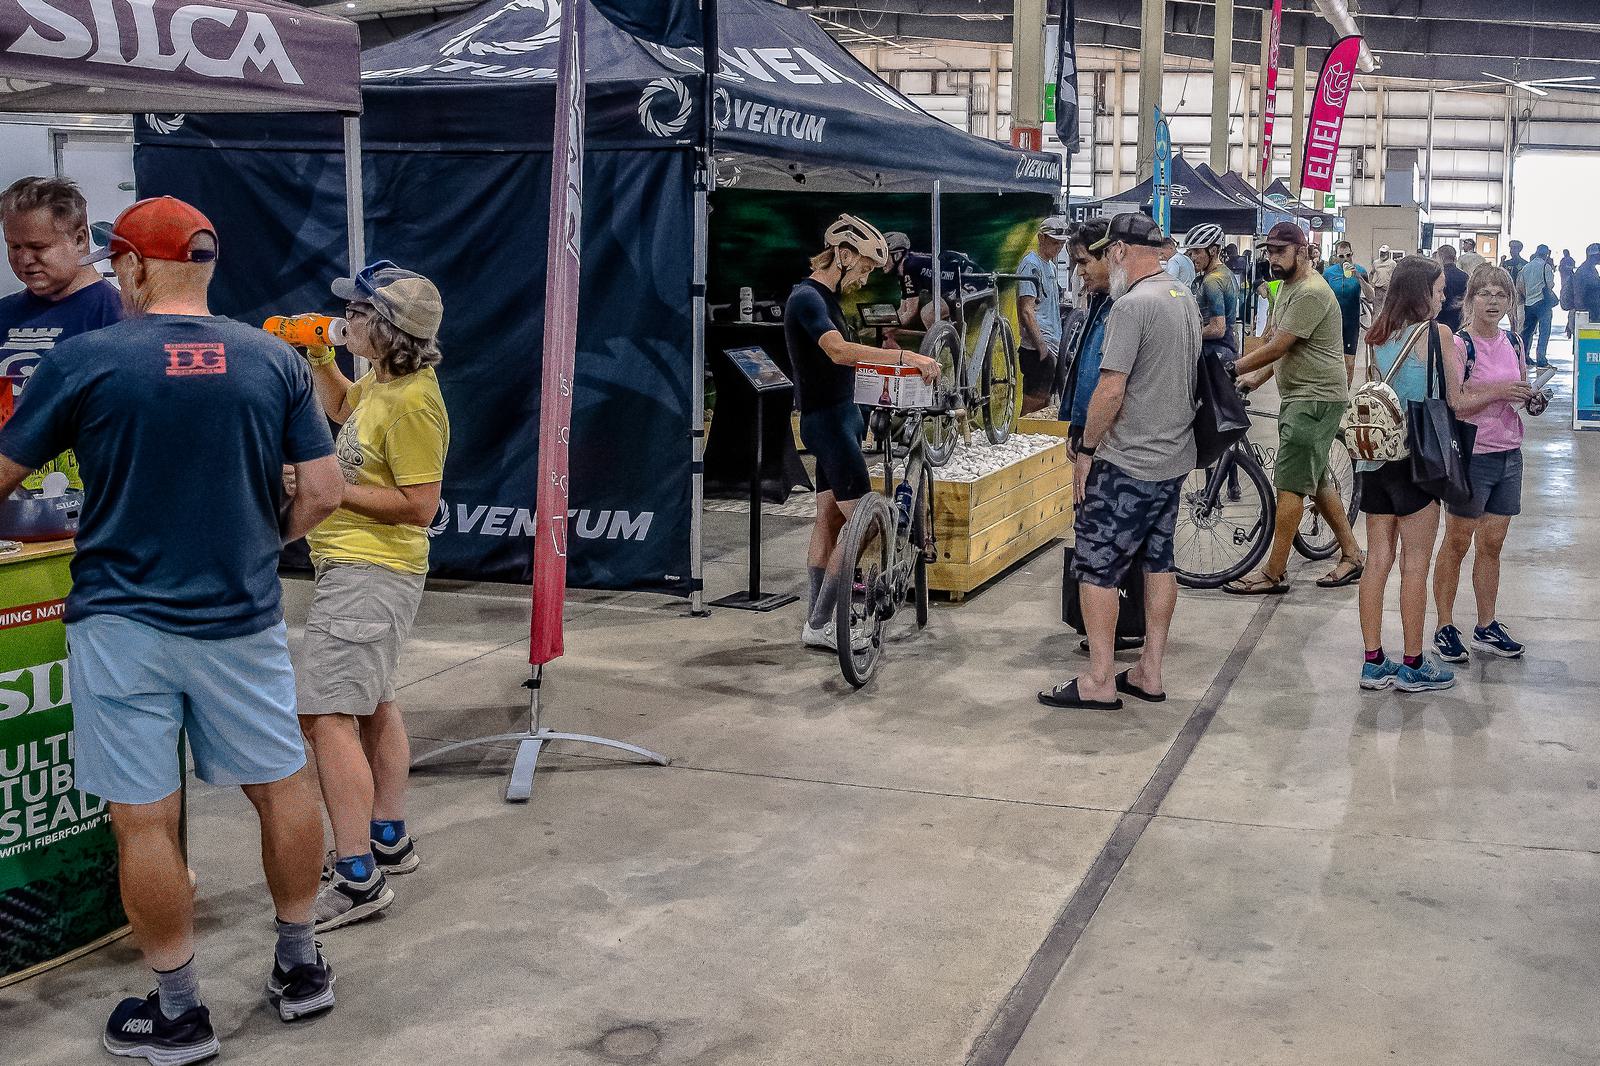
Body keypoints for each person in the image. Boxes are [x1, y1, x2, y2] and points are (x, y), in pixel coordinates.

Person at [0, 196, 345, 1061]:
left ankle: (180, 1012)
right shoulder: (274, 359)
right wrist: (260, 541)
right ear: (206, 264)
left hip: (122, 621)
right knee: (282, 786)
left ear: (130, 264)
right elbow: (325, 491)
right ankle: (301, 967)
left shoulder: (87, 359)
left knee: (143, 820)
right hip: (242, 616)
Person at [292, 262, 450, 932]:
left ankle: (357, 877)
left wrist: (327, 491)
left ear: (386, 328)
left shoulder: (415, 402)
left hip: (371, 571)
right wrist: (323, 361)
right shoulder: (383, 386)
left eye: (356, 313)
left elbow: (419, 506)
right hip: (354, 568)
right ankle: (388, 836)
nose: (346, 318)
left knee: (324, 715)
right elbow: (342, 411)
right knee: (375, 702)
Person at [1040, 212, 1198, 711]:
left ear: (1122, 252)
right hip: (1173, 459)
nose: (1106, 263)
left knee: (1097, 567)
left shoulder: (1132, 306)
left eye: (1108, 253)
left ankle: (1100, 680)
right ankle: (1149, 670)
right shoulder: (1182, 297)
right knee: (1158, 562)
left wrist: (1086, 450)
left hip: (1127, 461)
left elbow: (1111, 388)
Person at [787, 215, 940, 651]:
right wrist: (905, 357)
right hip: (830, 424)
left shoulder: (826, 299)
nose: (867, 277)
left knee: (830, 519)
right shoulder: (807, 299)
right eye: (866, 268)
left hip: (837, 420)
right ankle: (821, 624)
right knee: (867, 523)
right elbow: (836, 352)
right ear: (843, 254)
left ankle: (816, 619)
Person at [1226, 220, 1364, 594]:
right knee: (1314, 480)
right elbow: (1280, 346)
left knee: (1289, 487)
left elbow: (1280, 345)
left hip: (1314, 399)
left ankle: (1273, 572)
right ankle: (1351, 554)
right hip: (1302, 396)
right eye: (1268, 251)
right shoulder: (1286, 288)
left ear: (1303, 252)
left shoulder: (1310, 292)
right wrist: (1252, 379)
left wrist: (1233, 367)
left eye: (1279, 251)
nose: (1271, 258)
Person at [1432, 265, 1547, 665]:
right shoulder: (1461, 345)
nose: (1494, 300)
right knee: (1458, 542)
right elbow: (1457, 401)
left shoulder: (1514, 341)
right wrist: (1499, 390)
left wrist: (1531, 401)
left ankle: (1486, 624)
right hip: (1472, 455)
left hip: (1509, 453)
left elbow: (1519, 393)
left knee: (1492, 545)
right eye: (1485, 293)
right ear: (1470, 300)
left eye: (1501, 294)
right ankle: (1445, 626)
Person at [1356, 256, 1460, 693]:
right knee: (1415, 563)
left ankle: (1373, 662)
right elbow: (1455, 399)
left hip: (1374, 458)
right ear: (1422, 293)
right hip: (1418, 458)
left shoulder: (1375, 335)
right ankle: (1414, 663)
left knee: (1377, 559)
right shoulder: (1438, 335)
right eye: (1438, 290)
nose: (1443, 297)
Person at [0, 177, 124, 492]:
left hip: (82, 508)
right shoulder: (3, 314)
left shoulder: (118, 319)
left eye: (39, 247)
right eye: (14, 246)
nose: (24, 260)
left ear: (81, 238)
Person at [1057, 218, 1115, 448]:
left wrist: (1088, 439)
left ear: (1109, 255)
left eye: (1084, 262)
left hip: (1109, 441)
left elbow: (1106, 384)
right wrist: (1078, 425)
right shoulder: (1100, 302)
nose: (1080, 272)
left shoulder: (1122, 308)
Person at [1016, 216, 1068, 415]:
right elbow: (1027, 310)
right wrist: (1041, 347)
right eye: (1055, 242)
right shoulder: (1031, 265)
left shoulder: (1051, 266)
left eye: (1061, 244)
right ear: (1041, 238)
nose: (1058, 248)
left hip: (1052, 343)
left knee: (1045, 403)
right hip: (1037, 346)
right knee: (1034, 402)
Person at [1183, 222, 1239, 361]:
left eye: (1197, 252)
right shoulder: (1227, 273)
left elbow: (1217, 329)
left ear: (1213, 251)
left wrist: (1186, 334)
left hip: (1214, 352)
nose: (1193, 257)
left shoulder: (1212, 281)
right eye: (1191, 252)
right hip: (1227, 349)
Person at [1323, 239, 1374, 380]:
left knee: (1349, 363)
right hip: (1332, 323)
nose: (1346, 259)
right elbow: (1321, 297)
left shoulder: (1361, 271)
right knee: (1332, 362)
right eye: (1341, 256)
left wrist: (1359, 277)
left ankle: (1346, 393)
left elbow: (1371, 297)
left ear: (1352, 254)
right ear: (1335, 257)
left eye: (1348, 255)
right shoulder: (1328, 273)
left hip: (1351, 324)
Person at [1517, 245, 1556, 368]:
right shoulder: (1546, 267)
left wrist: (1528, 295)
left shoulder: (1526, 267)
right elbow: (1550, 285)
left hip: (1529, 303)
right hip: (1542, 303)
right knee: (1544, 331)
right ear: (1546, 254)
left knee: (1527, 332)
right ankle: (1541, 358)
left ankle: (1524, 357)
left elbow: (1520, 285)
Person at [1435, 244, 1469, 332]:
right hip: (1459, 318)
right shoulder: (1465, 276)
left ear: (1441, 257)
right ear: (1455, 257)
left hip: (1441, 318)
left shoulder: (1438, 276)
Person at [1571, 243, 1600, 325]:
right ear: (1594, 256)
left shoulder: (1591, 270)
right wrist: (1583, 317)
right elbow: (1578, 296)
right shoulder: (1584, 271)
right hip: (1587, 317)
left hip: (1591, 315)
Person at [1559, 247, 1577, 337]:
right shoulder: (1564, 260)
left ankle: (1569, 327)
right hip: (1565, 281)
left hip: (1567, 282)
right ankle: (1569, 327)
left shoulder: (1569, 260)